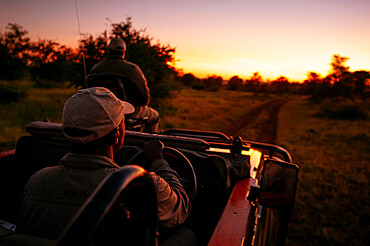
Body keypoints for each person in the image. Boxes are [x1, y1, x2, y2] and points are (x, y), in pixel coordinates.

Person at [17, 87, 191, 240]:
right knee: (188, 234)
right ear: (116, 135)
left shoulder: (36, 181)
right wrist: (159, 160)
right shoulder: (144, 187)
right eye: (122, 122)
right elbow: (181, 208)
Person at [89, 37, 160, 132]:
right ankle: (148, 144)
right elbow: (144, 99)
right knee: (155, 116)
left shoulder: (96, 68)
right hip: (127, 113)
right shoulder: (132, 69)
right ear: (124, 52)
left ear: (109, 51)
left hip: (100, 112)